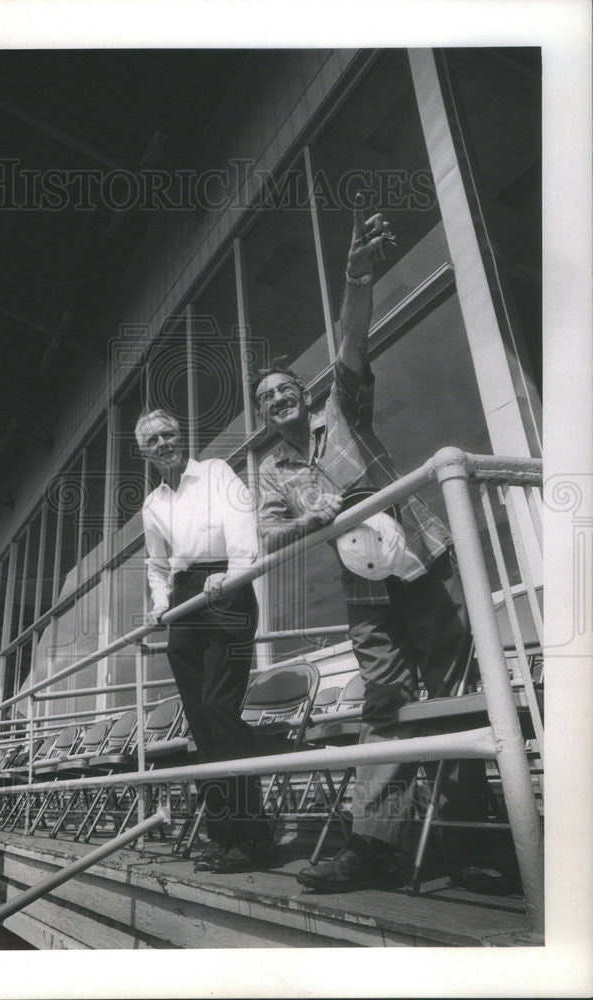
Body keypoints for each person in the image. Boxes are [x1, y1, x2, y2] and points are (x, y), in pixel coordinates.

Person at [255, 197, 496, 894]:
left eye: (286, 389)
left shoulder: (342, 413)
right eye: (267, 398)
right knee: (384, 703)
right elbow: (271, 534)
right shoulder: (273, 471)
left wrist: (357, 281)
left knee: (453, 695)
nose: (280, 400)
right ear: (265, 415)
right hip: (365, 591)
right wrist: (310, 519)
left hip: (419, 561)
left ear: (306, 395)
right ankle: (376, 845)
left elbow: (352, 347)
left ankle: (469, 845)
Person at [137, 408, 276, 874]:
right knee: (199, 721)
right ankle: (223, 836)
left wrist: (234, 578)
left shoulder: (215, 472)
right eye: (152, 440)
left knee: (221, 708)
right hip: (183, 602)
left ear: (182, 436)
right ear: (144, 452)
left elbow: (243, 526)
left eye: (168, 434)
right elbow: (156, 565)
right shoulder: (152, 504)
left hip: (223, 589)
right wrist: (159, 604)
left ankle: (255, 837)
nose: (162, 444)